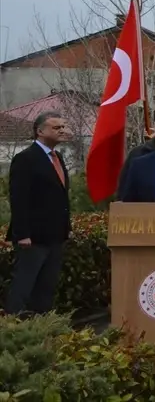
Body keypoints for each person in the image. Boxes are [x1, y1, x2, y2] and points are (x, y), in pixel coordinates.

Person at [4, 112, 73, 315]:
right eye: (56, 127)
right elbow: (19, 199)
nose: (61, 130)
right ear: (40, 131)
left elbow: (60, 198)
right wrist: (22, 233)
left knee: (46, 287)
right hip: (32, 238)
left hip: (55, 236)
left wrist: (66, 228)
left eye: (62, 126)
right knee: (24, 284)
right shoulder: (25, 159)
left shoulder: (57, 157)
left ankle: (42, 326)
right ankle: (13, 326)